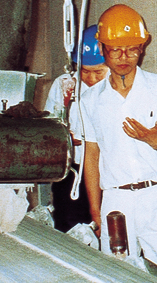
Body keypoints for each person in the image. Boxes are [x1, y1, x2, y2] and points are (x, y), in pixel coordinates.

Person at [80, 4, 157, 283]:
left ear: (142, 48)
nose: (124, 57)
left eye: (131, 49)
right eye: (116, 50)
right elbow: (91, 157)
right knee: (116, 282)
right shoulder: (90, 100)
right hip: (116, 200)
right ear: (102, 48)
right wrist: (96, 211)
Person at [44, 25, 109, 232]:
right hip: (72, 172)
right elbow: (49, 125)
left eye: (98, 72)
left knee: (106, 229)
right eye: (85, 71)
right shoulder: (63, 84)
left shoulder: (115, 88)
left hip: (107, 172)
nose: (91, 79)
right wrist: (61, 137)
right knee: (70, 228)